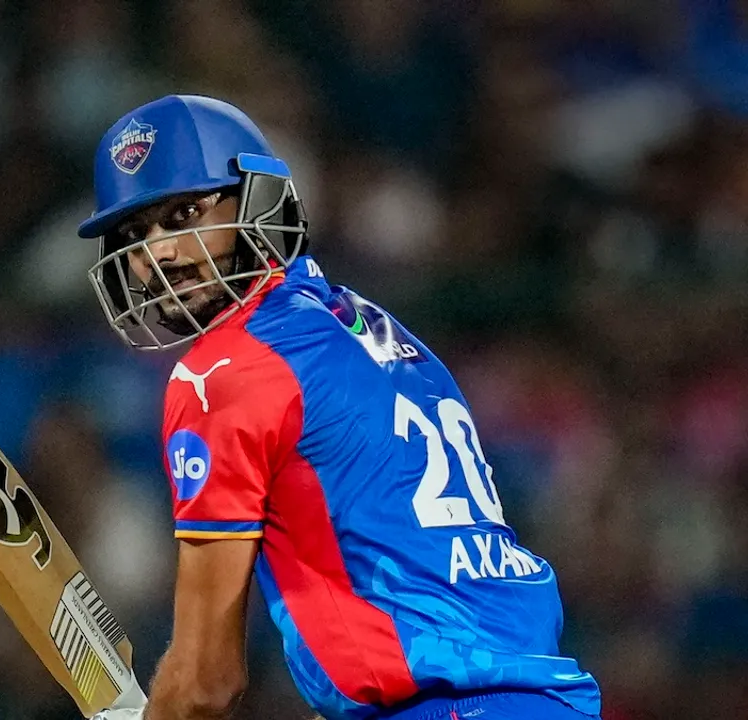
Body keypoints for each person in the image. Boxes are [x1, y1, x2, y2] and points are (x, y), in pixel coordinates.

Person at [80, 96, 602, 720]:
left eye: (186, 213)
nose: (159, 253)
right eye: (137, 234)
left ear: (255, 200)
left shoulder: (219, 373)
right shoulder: (373, 328)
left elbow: (205, 684)